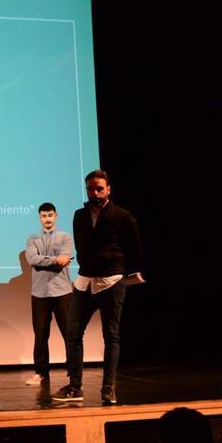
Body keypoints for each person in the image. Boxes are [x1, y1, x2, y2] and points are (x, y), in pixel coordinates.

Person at [52, 169, 142, 405]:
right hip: (84, 280)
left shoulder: (123, 216)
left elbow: (135, 249)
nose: (95, 193)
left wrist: (119, 269)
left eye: (99, 188)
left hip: (111, 281)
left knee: (110, 335)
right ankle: (75, 386)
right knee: (73, 333)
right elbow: (81, 245)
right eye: (91, 188)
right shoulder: (79, 215)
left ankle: (108, 388)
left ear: (109, 190)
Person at [24, 202, 74, 387]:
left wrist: (45, 261)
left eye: (50, 215)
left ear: (56, 215)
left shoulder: (65, 237)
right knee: (40, 335)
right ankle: (41, 372)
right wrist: (55, 259)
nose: (47, 219)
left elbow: (65, 259)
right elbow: (32, 260)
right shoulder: (32, 238)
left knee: (69, 334)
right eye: (44, 216)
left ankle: (73, 373)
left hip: (62, 291)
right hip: (40, 292)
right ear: (40, 217)